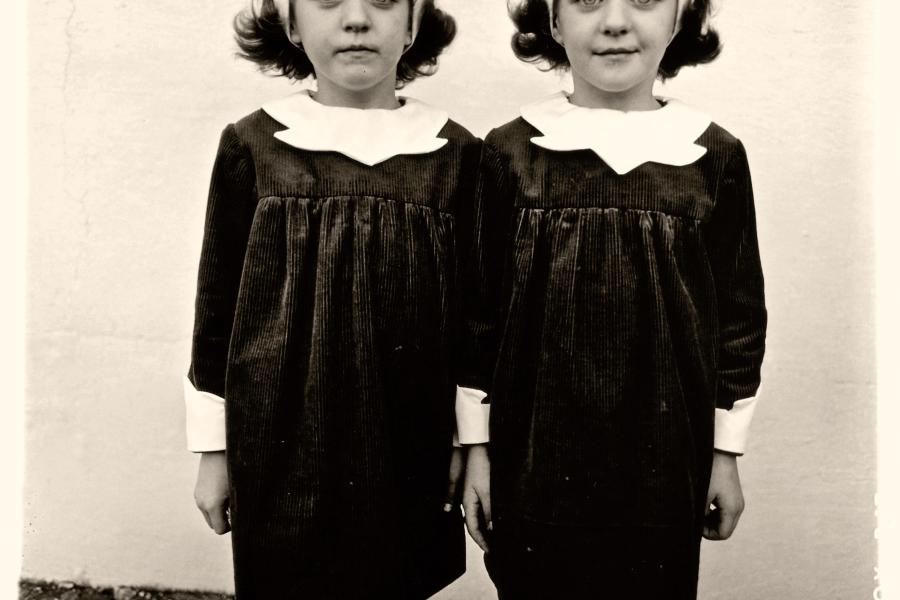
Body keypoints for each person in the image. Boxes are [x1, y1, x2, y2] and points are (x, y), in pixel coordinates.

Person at [461, 0, 767, 597]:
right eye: (586, 0)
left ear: (682, 17)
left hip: (665, 465)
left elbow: (739, 317)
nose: (615, 21)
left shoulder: (714, 157)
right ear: (550, 20)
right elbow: (476, 318)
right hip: (534, 462)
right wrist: (476, 447)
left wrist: (725, 453)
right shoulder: (507, 154)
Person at [184, 0, 486, 597]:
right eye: (327, 0)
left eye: (382, 1)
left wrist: (472, 441)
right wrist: (213, 450)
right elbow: (216, 308)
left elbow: (477, 322)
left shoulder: (457, 155)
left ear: (414, 22)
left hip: (407, 437)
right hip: (280, 432)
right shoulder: (254, 144)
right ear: (292, 23)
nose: (355, 19)